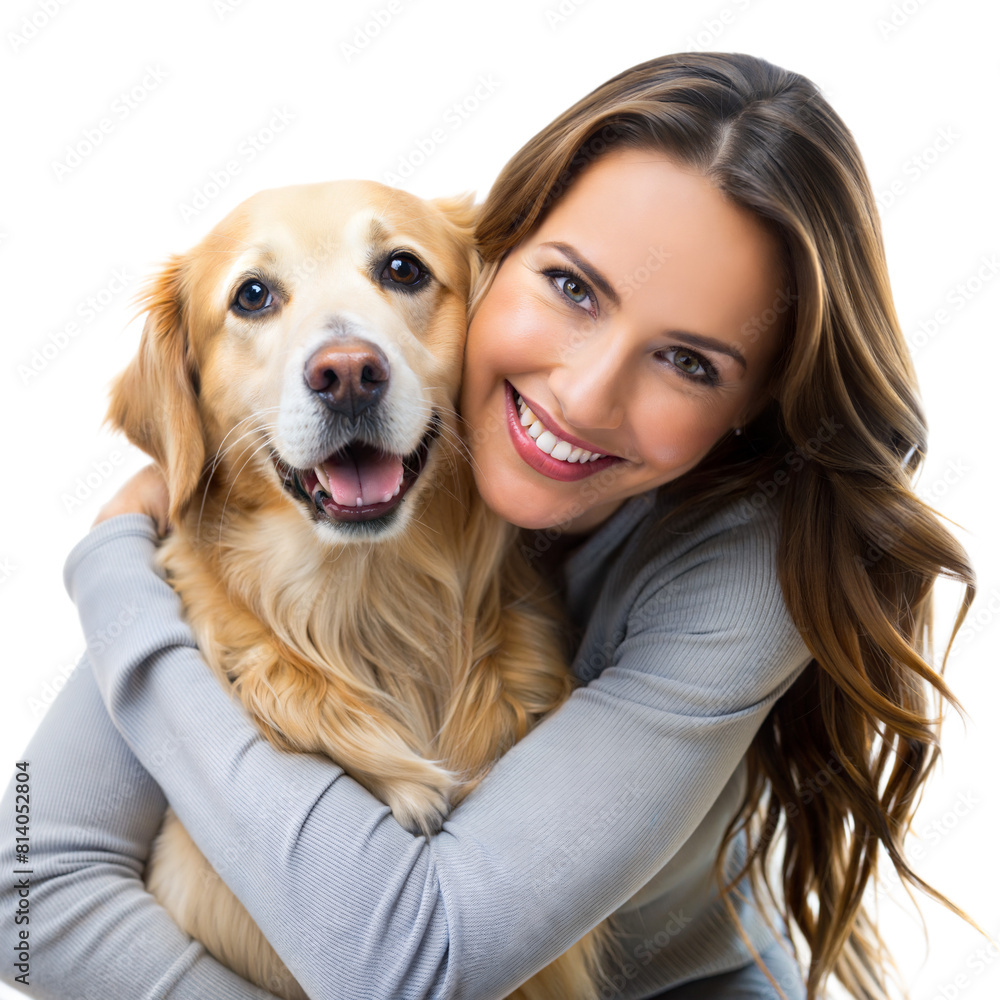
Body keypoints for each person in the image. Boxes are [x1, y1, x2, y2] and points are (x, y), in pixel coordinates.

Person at [1, 52, 981, 1000]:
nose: (585, 397)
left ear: (756, 406)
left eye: (688, 361)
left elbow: (412, 967)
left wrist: (113, 578)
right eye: (571, 287)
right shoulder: (239, 525)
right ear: (499, 261)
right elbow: (19, 887)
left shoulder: (750, 568)